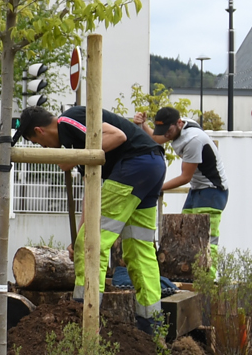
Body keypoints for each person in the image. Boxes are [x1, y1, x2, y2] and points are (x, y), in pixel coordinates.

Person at [15, 103, 165, 334]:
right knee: (138, 248)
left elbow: (118, 135)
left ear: (39, 131)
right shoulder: (73, 141)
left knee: (91, 244)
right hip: (151, 166)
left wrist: (77, 158)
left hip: (135, 164)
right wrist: (81, 231)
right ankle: (152, 326)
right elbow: (91, 191)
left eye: (38, 143)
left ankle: (82, 315)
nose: (44, 148)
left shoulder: (68, 120)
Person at [149, 107, 228, 280]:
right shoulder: (177, 127)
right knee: (184, 233)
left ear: (178, 123)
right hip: (197, 189)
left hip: (212, 191)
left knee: (206, 239)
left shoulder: (193, 140)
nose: (166, 135)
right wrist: (142, 126)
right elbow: (156, 138)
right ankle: (186, 276)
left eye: (168, 131)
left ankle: (208, 280)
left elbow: (185, 177)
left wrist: (158, 187)